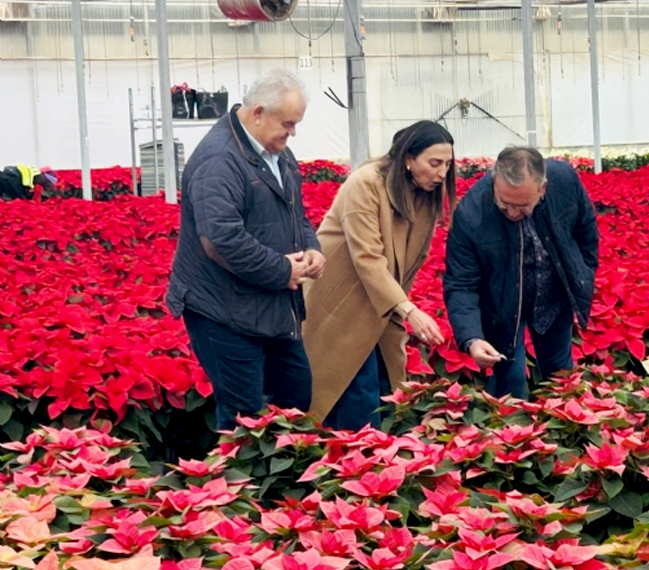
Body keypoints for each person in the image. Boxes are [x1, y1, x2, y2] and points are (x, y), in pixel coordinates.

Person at [165, 69, 324, 431]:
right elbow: (221, 238)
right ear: (258, 113)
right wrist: (282, 270)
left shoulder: (277, 153)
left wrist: (310, 247)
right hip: (223, 310)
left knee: (295, 398)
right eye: (288, 123)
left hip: (269, 305)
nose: (292, 132)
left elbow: (294, 213)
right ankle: (237, 470)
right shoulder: (219, 160)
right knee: (244, 419)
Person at [303, 121, 454, 430]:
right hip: (341, 308)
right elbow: (367, 258)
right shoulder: (366, 182)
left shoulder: (425, 193)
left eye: (448, 164)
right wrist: (409, 310)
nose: (442, 173)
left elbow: (411, 261)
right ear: (408, 158)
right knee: (355, 402)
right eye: (435, 163)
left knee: (386, 400)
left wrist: (401, 309)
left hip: (382, 308)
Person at [443, 146, 599, 399]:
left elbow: (586, 234)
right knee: (509, 384)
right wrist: (472, 338)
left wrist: (583, 275)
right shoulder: (471, 214)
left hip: (552, 297)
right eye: (504, 204)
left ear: (542, 189)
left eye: (523, 206)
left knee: (560, 378)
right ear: (494, 182)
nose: (513, 213)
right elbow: (461, 283)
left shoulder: (564, 181)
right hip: (501, 304)